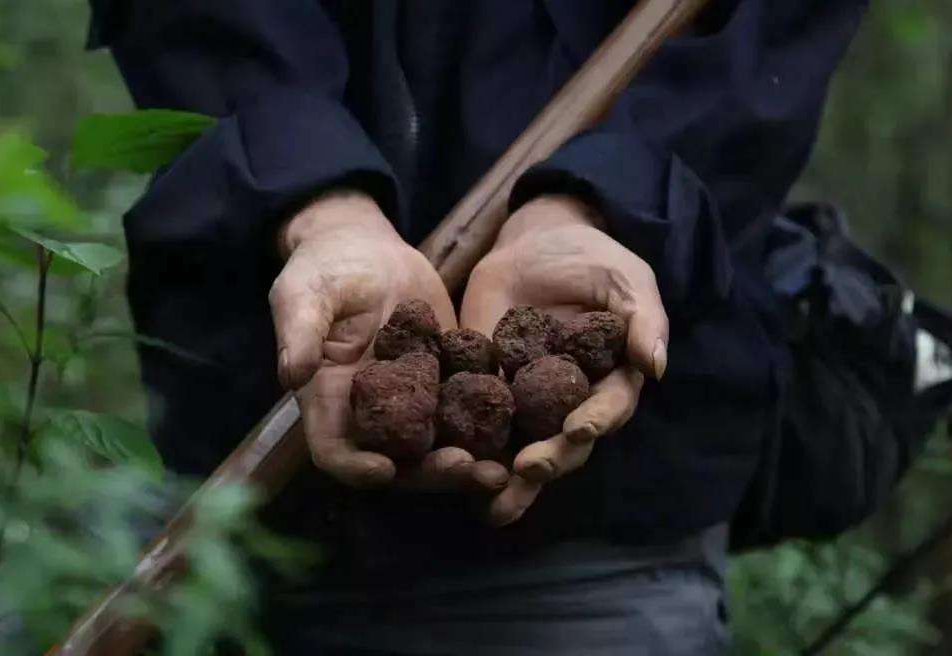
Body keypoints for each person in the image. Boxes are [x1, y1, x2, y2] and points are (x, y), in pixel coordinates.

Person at [88, 1, 871, 653]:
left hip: (594, 540)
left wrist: (607, 201)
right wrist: (311, 195)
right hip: (245, 465)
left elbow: (768, 48)